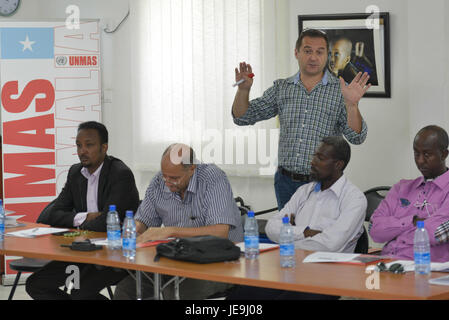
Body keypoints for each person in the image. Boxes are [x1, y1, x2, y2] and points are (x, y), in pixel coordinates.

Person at [232, 28, 371, 211]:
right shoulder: (282, 88)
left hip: (322, 183)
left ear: (327, 55)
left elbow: (357, 138)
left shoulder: (340, 91)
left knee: (317, 235)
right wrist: (243, 91)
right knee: (288, 235)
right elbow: (243, 117)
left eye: (319, 52)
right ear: (296, 53)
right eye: (307, 51)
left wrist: (352, 105)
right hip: (285, 182)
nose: (313, 57)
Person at [227, 136, 366, 300]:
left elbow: (330, 245)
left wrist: (288, 236)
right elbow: (271, 227)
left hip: (328, 277)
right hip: (291, 268)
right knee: (243, 293)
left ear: (338, 165)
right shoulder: (304, 192)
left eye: (320, 158)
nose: (312, 162)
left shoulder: (354, 199)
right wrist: (305, 232)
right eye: (314, 155)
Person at [25, 121, 140, 300]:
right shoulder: (75, 172)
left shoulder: (120, 174)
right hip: (81, 251)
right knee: (36, 285)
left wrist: (78, 222)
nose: (82, 151)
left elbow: (106, 223)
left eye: (89, 145)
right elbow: (53, 215)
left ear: (104, 147)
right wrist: (84, 217)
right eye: (79, 145)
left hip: (113, 255)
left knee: (80, 292)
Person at [113, 143, 243, 300]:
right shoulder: (158, 182)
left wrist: (170, 231)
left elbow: (220, 232)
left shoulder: (212, 178)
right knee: (126, 290)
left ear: (192, 169)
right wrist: (132, 230)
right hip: (175, 261)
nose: (167, 182)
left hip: (219, 263)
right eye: (164, 175)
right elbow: (143, 220)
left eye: (174, 178)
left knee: (173, 292)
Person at [370, 125, 449, 261]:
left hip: (425, 270)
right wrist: (413, 222)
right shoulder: (402, 187)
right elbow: (375, 231)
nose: (420, 161)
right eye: (416, 153)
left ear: (443, 154)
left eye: (427, 154)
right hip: (386, 263)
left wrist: (393, 228)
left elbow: (436, 233)